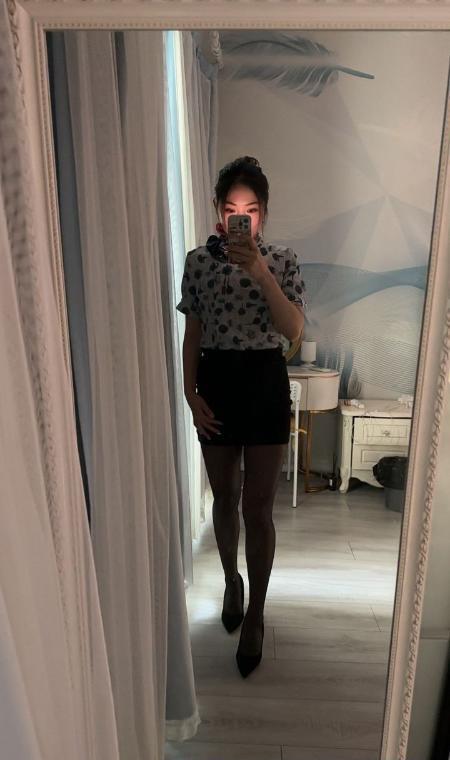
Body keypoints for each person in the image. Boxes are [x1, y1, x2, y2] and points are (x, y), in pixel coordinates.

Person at [176, 156, 306, 677]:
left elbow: (293, 328)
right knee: (224, 496)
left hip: (265, 381)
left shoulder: (283, 260)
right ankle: (232, 579)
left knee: (259, 509)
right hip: (217, 381)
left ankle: (255, 614)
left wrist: (260, 271)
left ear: (264, 214)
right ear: (217, 211)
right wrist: (189, 394)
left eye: (250, 210)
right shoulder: (197, 262)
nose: (241, 218)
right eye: (232, 208)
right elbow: (193, 332)